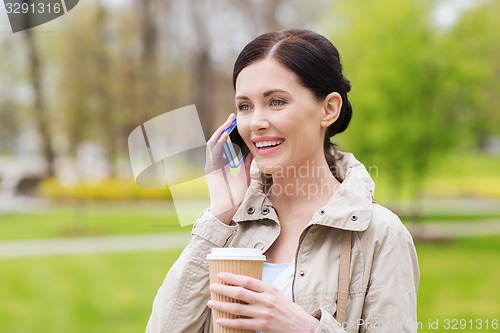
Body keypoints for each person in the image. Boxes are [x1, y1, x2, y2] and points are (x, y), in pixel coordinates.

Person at [146, 29, 419, 333]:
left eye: (276, 102)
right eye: (245, 106)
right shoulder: (228, 227)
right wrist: (220, 214)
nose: (256, 123)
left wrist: (303, 328)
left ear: (328, 109)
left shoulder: (381, 235)